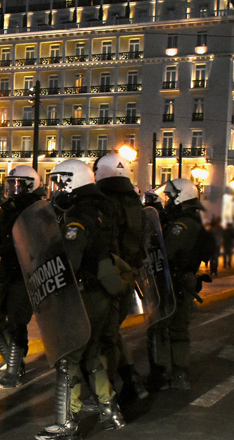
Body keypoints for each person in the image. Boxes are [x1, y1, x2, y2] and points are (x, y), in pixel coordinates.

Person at [36, 159, 124, 440]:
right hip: (101, 292)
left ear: (72, 181)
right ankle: (111, 411)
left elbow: (71, 258)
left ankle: (67, 423)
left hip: (83, 293)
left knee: (68, 356)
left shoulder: (79, 216)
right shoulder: (102, 207)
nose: (57, 188)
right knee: (92, 352)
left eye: (60, 182)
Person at [92, 153, 148, 403]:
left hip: (108, 274)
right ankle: (132, 380)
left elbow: (100, 240)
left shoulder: (102, 202)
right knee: (113, 331)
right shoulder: (136, 203)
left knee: (105, 336)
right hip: (130, 274)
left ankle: (108, 394)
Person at [0, 165, 44, 389]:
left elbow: (25, 241)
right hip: (8, 269)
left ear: (30, 185)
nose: (12, 188)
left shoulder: (36, 210)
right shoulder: (10, 208)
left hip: (26, 270)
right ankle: (12, 360)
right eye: (11, 183)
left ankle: (13, 369)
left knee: (17, 320)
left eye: (17, 184)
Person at [149, 178, 208, 391]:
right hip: (184, 278)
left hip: (176, 279)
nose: (167, 200)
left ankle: (167, 373)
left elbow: (168, 251)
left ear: (180, 196)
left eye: (170, 196)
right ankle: (179, 373)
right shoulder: (193, 219)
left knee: (166, 327)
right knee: (178, 328)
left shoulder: (182, 225)